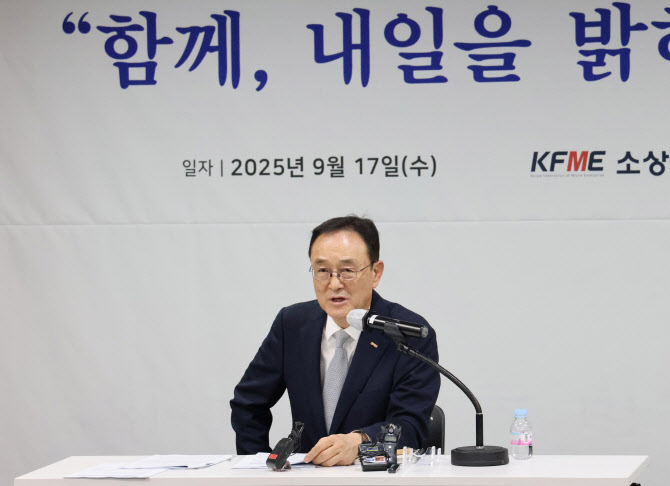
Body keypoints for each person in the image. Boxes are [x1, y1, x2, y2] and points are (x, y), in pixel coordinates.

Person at [230, 216, 440, 466]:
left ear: (375, 273)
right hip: (307, 476)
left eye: (347, 271)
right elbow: (248, 403)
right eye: (322, 271)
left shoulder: (408, 334)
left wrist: (361, 441)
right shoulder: (293, 324)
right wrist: (257, 466)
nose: (334, 283)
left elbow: (410, 426)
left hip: (375, 478)